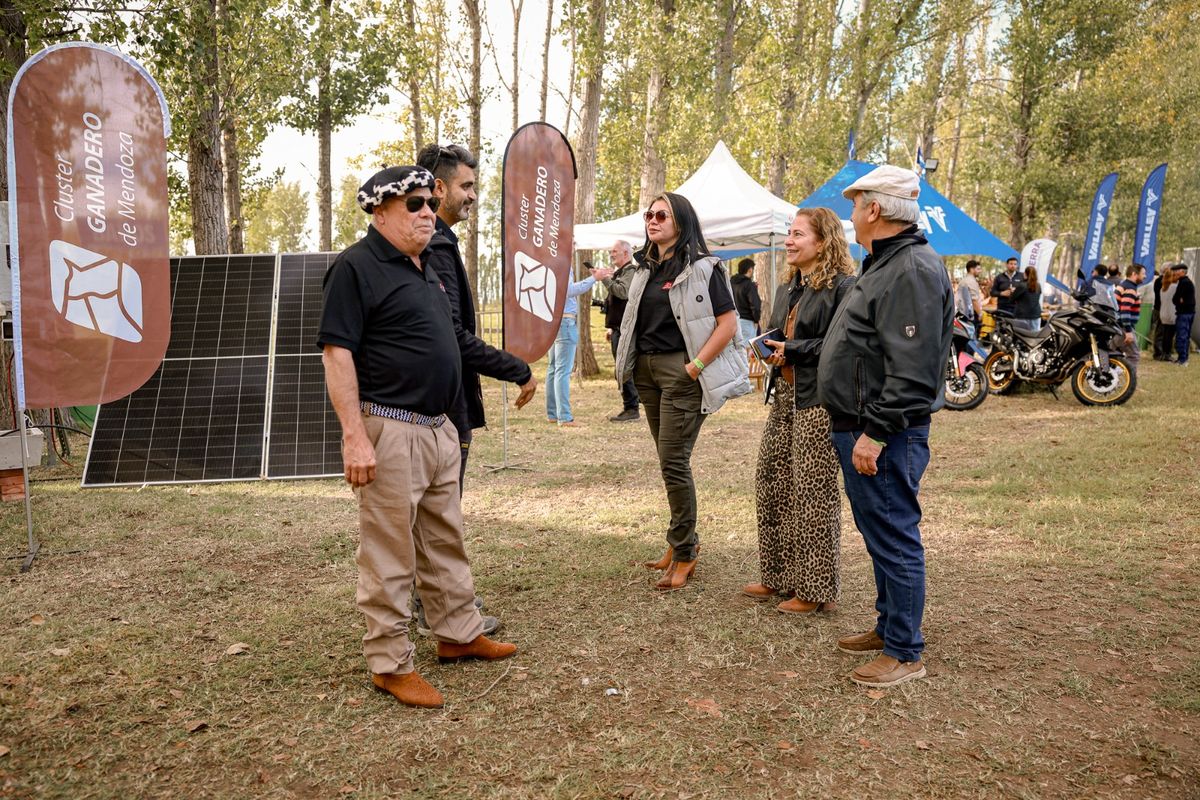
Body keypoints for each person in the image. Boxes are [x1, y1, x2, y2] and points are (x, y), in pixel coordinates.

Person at [318, 166, 517, 709]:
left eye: (431, 202)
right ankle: (389, 664)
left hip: (437, 428)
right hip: (389, 428)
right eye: (415, 205)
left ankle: (457, 634)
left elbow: (451, 339)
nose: (429, 211)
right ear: (379, 212)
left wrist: (508, 370)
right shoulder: (356, 268)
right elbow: (337, 355)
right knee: (389, 551)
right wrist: (354, 438)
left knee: (443, 537)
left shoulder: (426, 267)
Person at [816, 165, 953, 688]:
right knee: (879, 533)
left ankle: (904, 650)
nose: (850, 214)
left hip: (883, 431)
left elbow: (914, 370)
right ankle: (888, 625)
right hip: (861, 423)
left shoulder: (911, 268)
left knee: (894, 535)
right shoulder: (886, 263)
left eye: (855, 205)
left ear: (875, 210)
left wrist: (875, 432)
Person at [409, 143, 537, 636]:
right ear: (437, 189)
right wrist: (516, 368)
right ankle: (440, 607)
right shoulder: (434, 247)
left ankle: (434, 600)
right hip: (442, 403)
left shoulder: (434, 245)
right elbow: (454, 338)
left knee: (433, 510)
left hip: (437, 400)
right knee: (439, 513)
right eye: (465, 186)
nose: (472, 195)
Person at [614, 192, 751, 591]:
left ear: (681, 223)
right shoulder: (643, 270)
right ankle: (678, 544)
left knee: (674, 461)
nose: (652, 221)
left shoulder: (705, 269)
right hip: (647, 372)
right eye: (649, 215)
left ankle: (686, 551)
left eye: (662, 215)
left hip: (682, 372)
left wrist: (696, 366)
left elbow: (728, 325)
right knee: (666, 460)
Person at [743, 207, 855, 614]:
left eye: (798, 234)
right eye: (788, 234)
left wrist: (792, 349)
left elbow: (839, 345)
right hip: (785, 394)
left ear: (823, 241)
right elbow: (778, 334)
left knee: (812, 492)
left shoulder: (845, 286)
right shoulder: (789, 287)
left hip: (820, 399)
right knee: (771, 479)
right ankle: (778, 577)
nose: (789, 241)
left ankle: (814, 589)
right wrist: (766, 346)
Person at [546, 262, 611, 427]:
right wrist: (593, 279)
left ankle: (553, 414)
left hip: (554, 320)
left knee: (554, 368)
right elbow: (569, 291)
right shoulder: (562, 264)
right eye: (572, 239)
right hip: (565, 321)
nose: (574, 243)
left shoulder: (551, 261)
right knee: (562, 370)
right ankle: (564, 417)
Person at [601, 240, 640, 422]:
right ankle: (631, 405)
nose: (611, 254)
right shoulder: (622, 273)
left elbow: (623, 293)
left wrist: (604, 279)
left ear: (626, 253)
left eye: (614, 251)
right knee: (622, 367)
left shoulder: (630, 272)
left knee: (623, 367)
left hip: (625, 330)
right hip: (618, 328)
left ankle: (631, 408)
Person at [1114, 263, 1146, 375]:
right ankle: (1127, 381)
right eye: (1143, 274)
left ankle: (1112, 378)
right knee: (1134, 355)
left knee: (1113, 353)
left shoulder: (1123, 285)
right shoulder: (1130, 288)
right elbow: (1125, 311)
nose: (1145, 276)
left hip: (1116, 325)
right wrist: (1128, 331)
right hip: (1123, 326)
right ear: (1134, 274)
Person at [731, 258, 763, 344]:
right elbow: (755, 305)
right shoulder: (749, 285)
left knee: (737, 349)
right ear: (750, 269)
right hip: (747, 321)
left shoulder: (731, 283)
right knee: (748, 351)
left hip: (733, 320)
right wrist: (756, 320)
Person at [1173, 263, 1195, 367]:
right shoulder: (1183, 282)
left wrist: (1179, 300)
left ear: (1182, 271)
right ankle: (1182, 358)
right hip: (1186, 313)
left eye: (1176, 271)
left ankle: (1183, 359)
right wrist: (1178, 300)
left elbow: (1178, 299)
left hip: (1184, 313)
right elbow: (1177, 299)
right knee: (1184, 336)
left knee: (1182, 336)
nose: (1174, 273)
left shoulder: (1184, 283)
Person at [1011, 266, 1043, 332]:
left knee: (1020, 338)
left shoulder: (1022, 285)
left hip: (1022, 316)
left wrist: (1013, 291)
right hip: (1035, 315)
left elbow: (1012, 299)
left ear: (1025, 274)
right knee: (1034, 337)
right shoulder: (1038, 285)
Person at [1159, 266, 1180, 361]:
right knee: (1170, 336)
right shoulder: (1174, 287)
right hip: (1172, 314)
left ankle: (1164, 353)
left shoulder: (1163, 288)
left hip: (1163, 314)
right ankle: (1168, 354)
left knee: (1165, 335)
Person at [957, 259, 983, 329]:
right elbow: (974, 300)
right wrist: (980, 314)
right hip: (970, 314)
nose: (980, 271)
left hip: (963, 313)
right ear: (972, 269)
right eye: (978, 269)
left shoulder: (965, 280)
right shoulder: (970, 281)